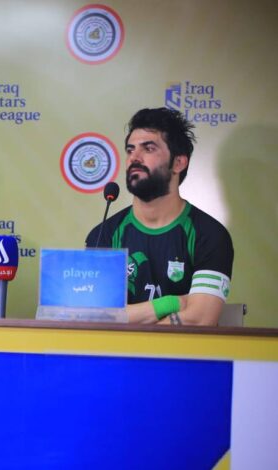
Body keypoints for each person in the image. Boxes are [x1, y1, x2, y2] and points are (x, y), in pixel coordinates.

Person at [85, 107, 234, 325]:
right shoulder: (104, 235)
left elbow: (200, 319)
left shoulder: (209, 235)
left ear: (178, 163)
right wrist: (172, 303)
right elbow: (97, 317)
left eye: (148, 148)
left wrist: (131, 320)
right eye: (130, 150)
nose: (134, 158)